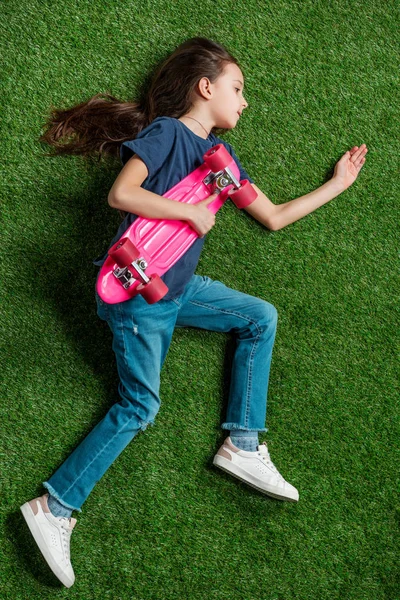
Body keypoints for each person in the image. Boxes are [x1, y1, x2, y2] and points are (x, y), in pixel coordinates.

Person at [20, 37, 368, 588]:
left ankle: (242, 444)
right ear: (205, 88)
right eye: (238, 88)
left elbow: (272, 217)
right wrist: (186, 210)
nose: (244, 102)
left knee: (259, 316)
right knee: (140, 408)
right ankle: (54, 507)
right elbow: (122, 194)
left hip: (179, 290)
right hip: (138, 298)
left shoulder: (221, 161)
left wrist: (337, 184)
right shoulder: (166, 135)